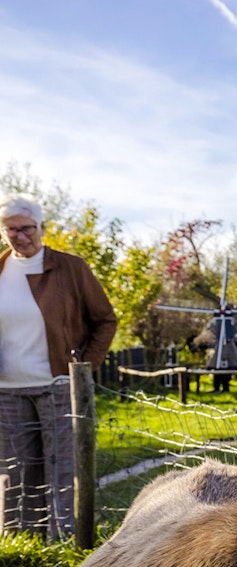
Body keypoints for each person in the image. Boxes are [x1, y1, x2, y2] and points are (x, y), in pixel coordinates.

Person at [0, 193, 117, 541]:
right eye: (10, 230)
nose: (19, 236)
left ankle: (61, 537)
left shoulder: (71, 268)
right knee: (15, 471)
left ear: (42, 228)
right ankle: (21, 539)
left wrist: (82, 368)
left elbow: (105, 319)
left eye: (26, 228)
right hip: (7, 389)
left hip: (58, 385)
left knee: (60, 467)